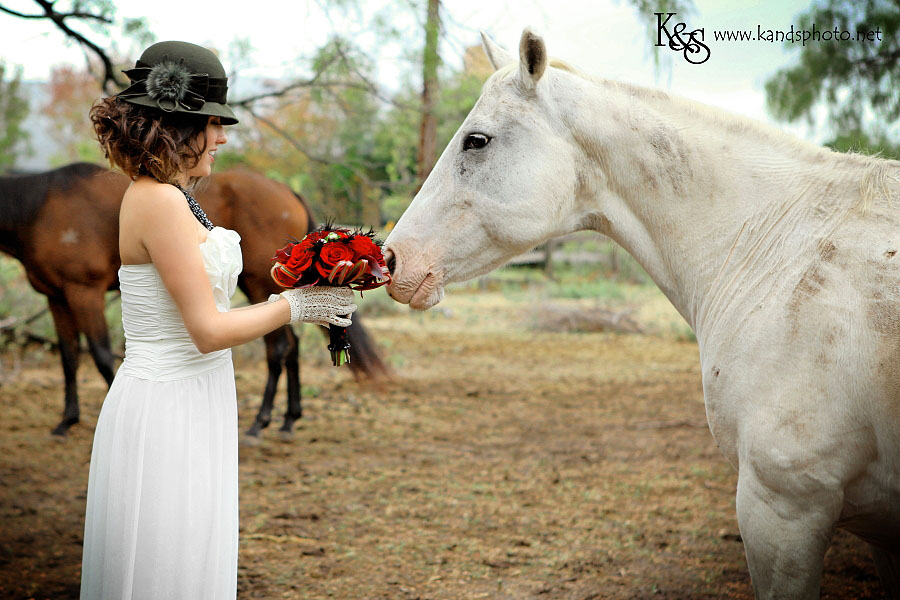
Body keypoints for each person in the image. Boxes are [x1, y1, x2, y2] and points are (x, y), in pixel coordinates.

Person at [80, 41, 356, 599]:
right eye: (214, 123)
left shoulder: (175, 196)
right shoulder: (157, 201)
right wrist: (298, 306)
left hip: (193, 397)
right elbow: (206, 331)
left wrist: (315, 277)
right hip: (167, 406)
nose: (224, 136)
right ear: (179, 127)